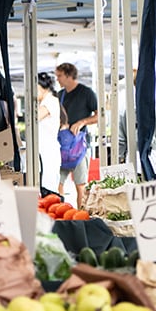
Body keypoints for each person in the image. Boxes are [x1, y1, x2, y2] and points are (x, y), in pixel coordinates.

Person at [54, 62, 97, 209]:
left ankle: (81, 217)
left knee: (80, 185)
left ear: (69, 75)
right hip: (62, 146)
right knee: (57, 183)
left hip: (80, 146)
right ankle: (61, 215)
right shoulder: (59, 96)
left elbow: (100, 116)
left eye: (59, 76)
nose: (57, 79)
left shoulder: (86, 93)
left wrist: (82, 122)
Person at [118, 70, 156, 179]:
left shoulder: (126, 108)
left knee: (136, 195)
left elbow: (121, 139)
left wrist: (120, 160)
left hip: (134, 161)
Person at [36, 72, 61, 193]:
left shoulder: (50, 101)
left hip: (48, 151)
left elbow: (35, 117)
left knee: (48, 187)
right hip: (43, 150)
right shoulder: (45, 101)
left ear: (43, 88)